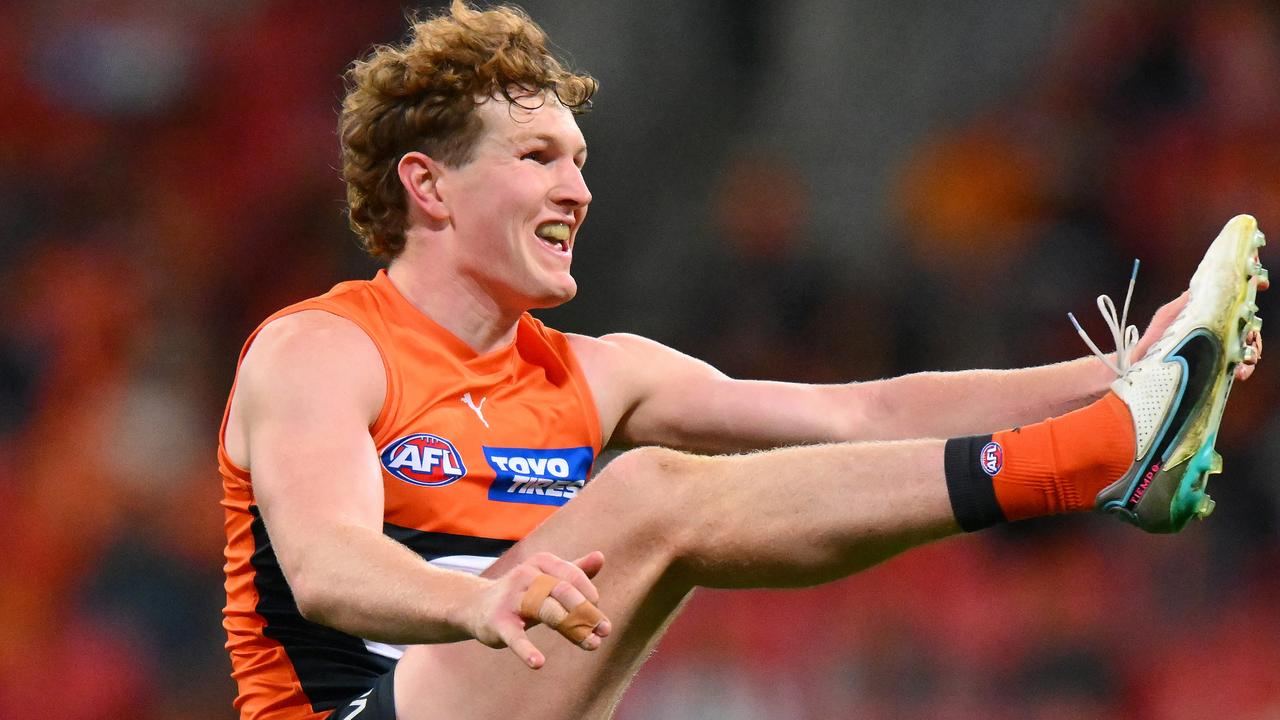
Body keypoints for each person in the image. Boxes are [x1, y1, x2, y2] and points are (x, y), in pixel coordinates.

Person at [219, 3, 1267, 718]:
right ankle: (1087, 463)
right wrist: (474, 605)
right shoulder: (320, 350)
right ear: (428, 187)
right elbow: (324, 567)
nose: (578, 192)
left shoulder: (597, 372)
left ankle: (1112, 435)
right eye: (537, 159)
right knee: (648, 498)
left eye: (579, 162)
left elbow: (857, 416)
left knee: (670, 503)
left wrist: (1128, 367)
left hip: (491, 695)